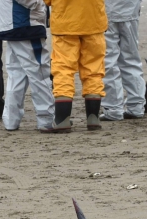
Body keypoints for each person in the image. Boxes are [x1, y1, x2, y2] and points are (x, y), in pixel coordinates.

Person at [42, 0, 107, 133]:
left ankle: (62, 119)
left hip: (65, 24)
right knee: (93, 70)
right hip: (94, 22)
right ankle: (93, 118)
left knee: (63, 70)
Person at [0, 0, 54, 131]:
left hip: (13, 24)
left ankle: (11, 120)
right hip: (25, 23)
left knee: (16, 75)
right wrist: (40, 5)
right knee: (40, 73)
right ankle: (47, 118)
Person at [99, 0, 145, 121]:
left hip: (106, 12)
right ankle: (136, 105)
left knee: (108, 61)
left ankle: (113, 108)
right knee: (131, 58)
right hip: (130, 10)